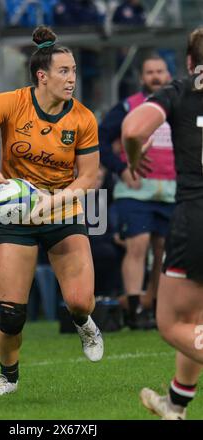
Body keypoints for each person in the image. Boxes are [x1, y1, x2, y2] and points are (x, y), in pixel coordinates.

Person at [0, 25, 103, 396]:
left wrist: (55, 200)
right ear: (42, 76)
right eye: (64, 72)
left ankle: (84, 322)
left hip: (62, 211)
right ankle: (8, 377)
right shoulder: (13, 102)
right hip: (17, 216)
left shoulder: (82, 118)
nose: (71, 79)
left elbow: (89, 178)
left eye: (74, 71)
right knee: (12, 314)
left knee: (81, 300)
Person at [122, 28, 203, 420]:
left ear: (189, 61)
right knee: (195, 320)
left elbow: (133, 129)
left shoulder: (182, 89)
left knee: (171, 324)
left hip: (197, 215)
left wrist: (135, 158)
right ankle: (175, 406)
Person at [99, 55, 175, 330]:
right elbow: (101, 140)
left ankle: (153, 306)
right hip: (136, 191)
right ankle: (133, 310)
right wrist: (121, 168)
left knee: (164, 252)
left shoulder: (177, 103)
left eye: (160, 71)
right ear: (142, 78)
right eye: (150, 72)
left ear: (169, 74)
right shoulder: (128, 106)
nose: (155, 76)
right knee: (138, 245)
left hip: (171, 190)